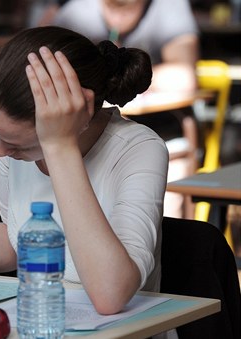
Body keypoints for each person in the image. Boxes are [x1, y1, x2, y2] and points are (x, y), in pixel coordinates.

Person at [0, 26, 169, 315]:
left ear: (77, 118)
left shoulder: (139, 150)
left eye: (16, 143)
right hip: (41, 317)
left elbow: (111, 294)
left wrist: (60, 147)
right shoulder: (11, 141)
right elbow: (15, 235)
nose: (0, 151)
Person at [52, 0, 200, 218]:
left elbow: (184, 76)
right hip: (85, 132)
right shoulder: (76, 12)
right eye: (113, 8)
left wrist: (121, 77)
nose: (119, 19)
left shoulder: (169, 8)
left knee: (164, 194)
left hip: (160, 129)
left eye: (128, 9)